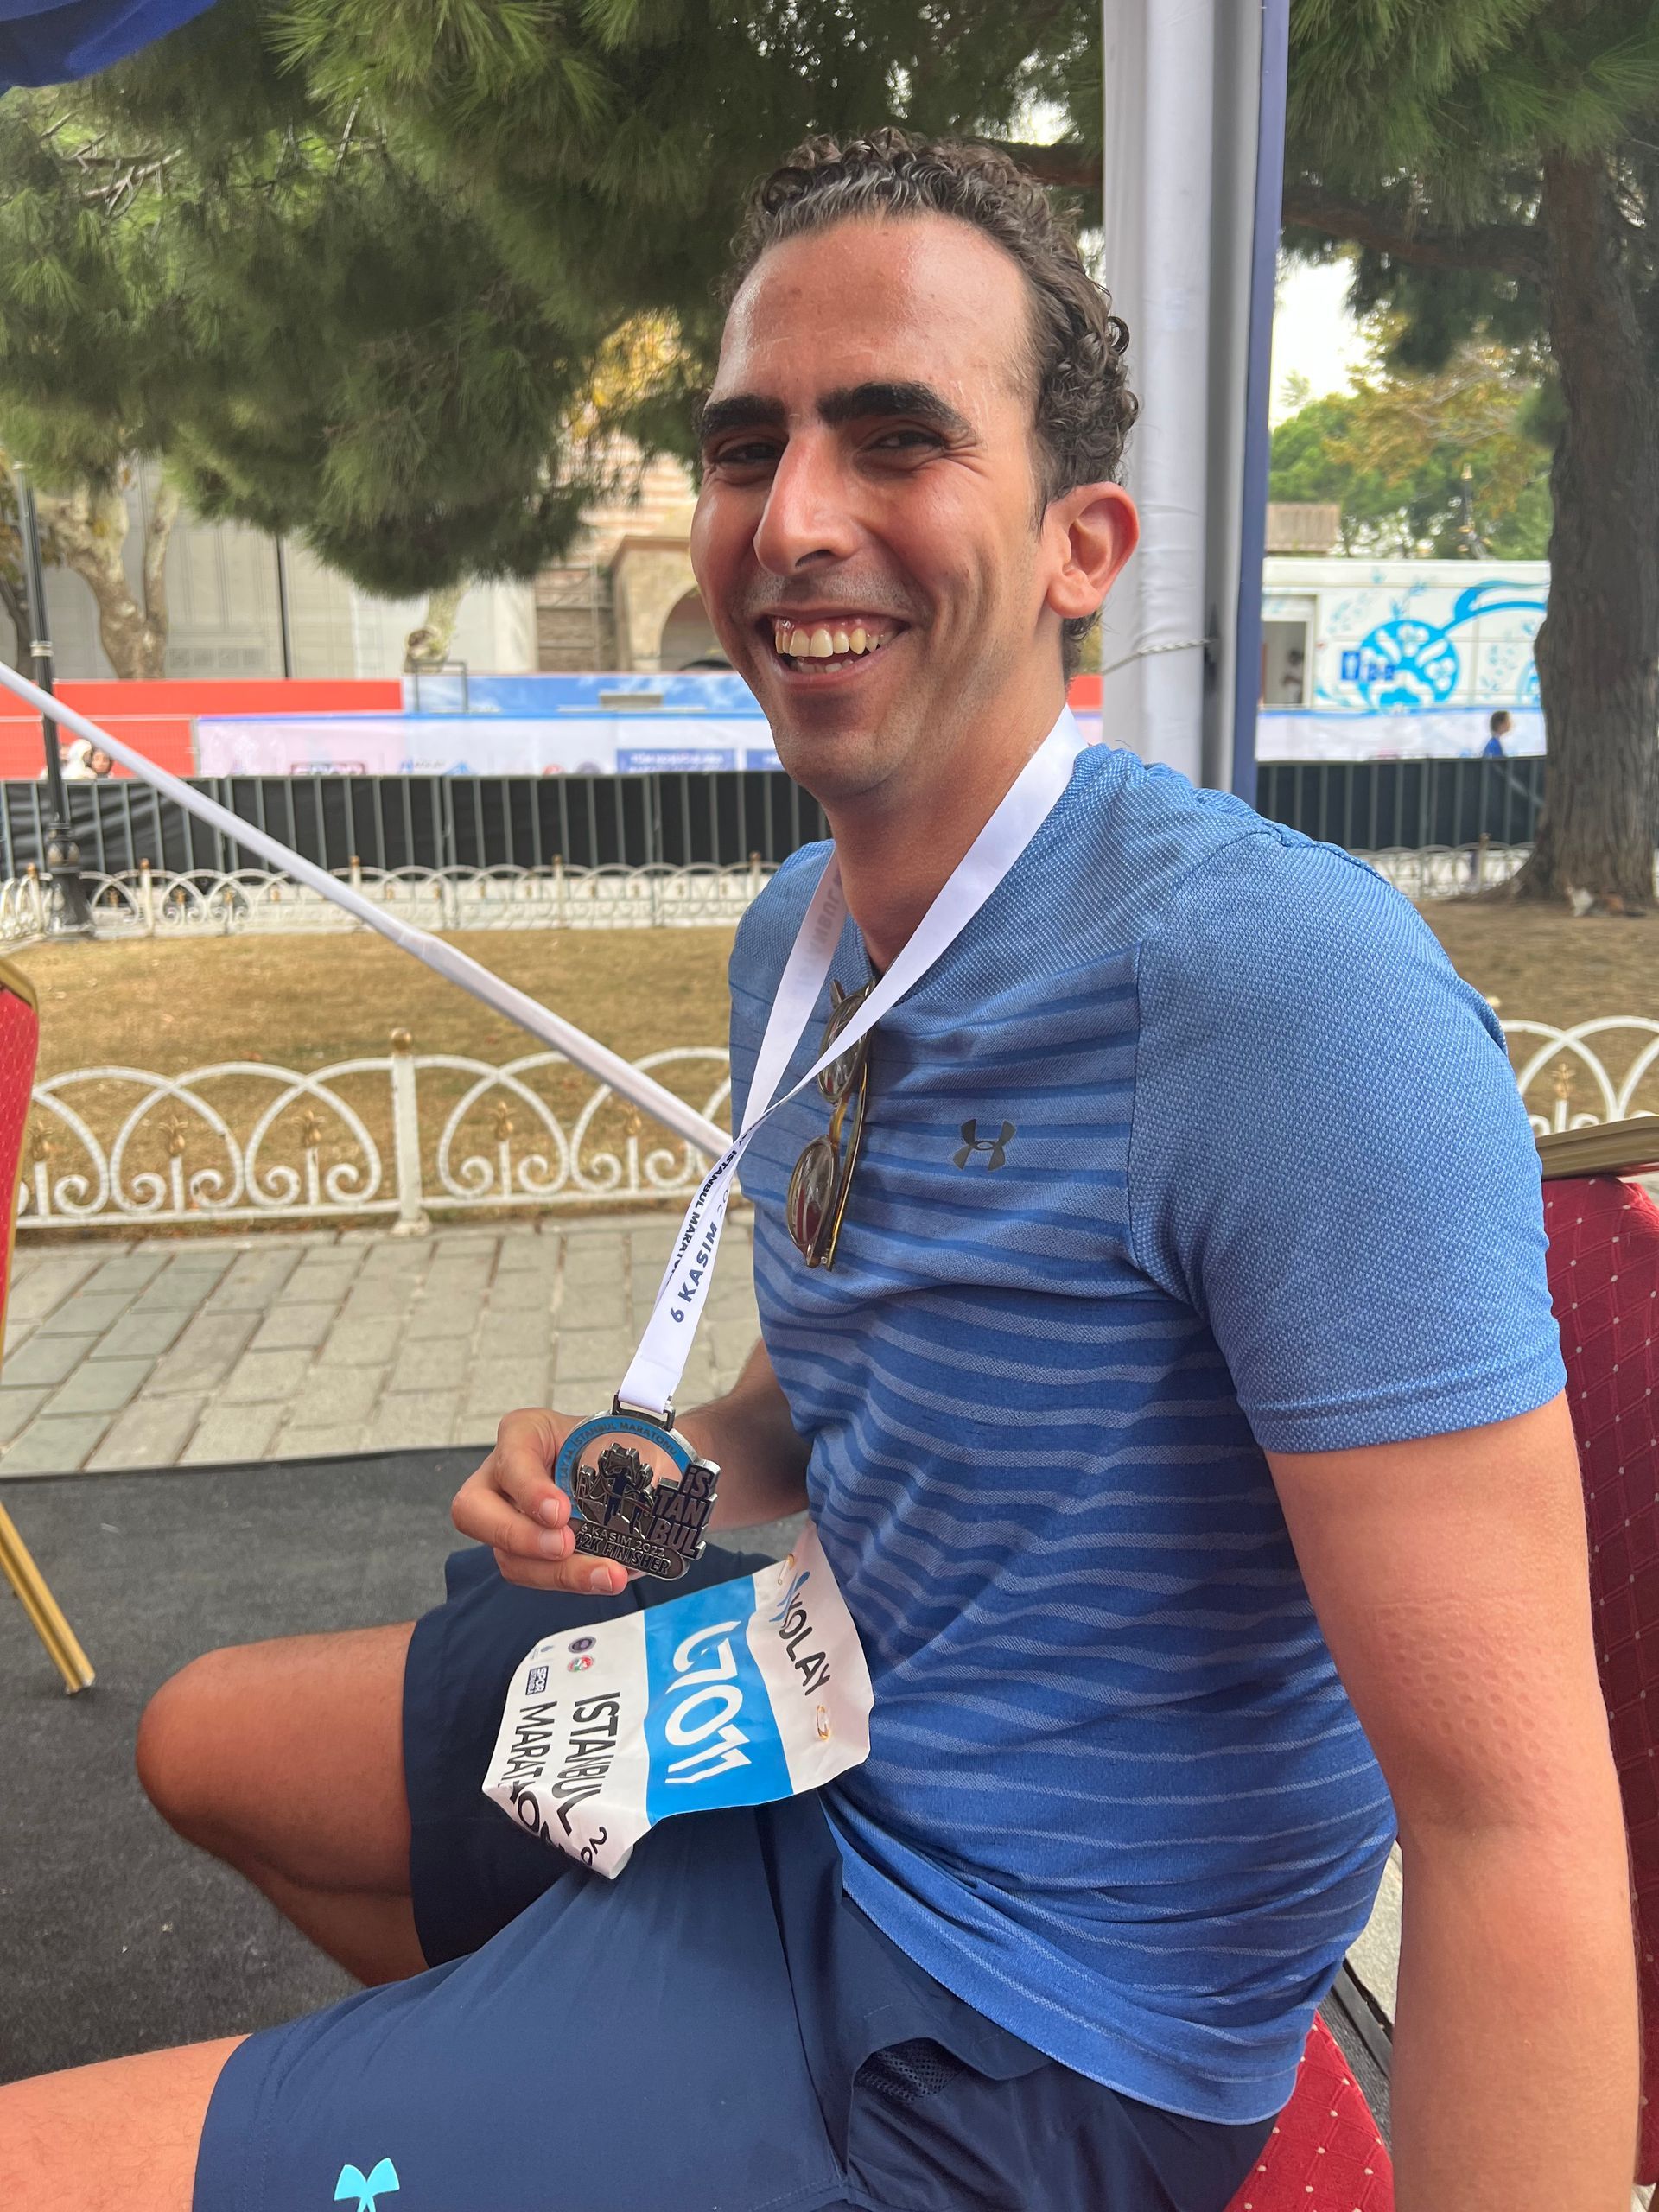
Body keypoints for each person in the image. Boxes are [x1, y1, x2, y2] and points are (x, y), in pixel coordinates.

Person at [0, 132, 1635, 2212]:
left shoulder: (1286, 995)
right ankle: (585, 2083)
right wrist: (658, 1459)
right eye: (744, 443)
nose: (793, 518)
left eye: (896, 439)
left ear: (1081, 543)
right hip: (806, 1723)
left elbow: (1513, 1830)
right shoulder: (798, 932)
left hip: (1021, 2007)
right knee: (204, 1740)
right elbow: (844, 1379)